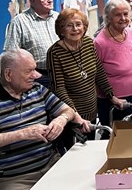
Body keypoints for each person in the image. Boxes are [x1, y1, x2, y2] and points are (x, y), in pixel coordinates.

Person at [0, 49, 88, 190]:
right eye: (28, 71)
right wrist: (21, 134)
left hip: (50, 164)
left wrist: (61, 119)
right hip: (11, 178)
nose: (35, 76)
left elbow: (68, 110)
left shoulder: (37, 90)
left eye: (35, 69)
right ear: (8, 74)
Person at [47, 8, 125, 148]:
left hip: (91, 110)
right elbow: (59, 88)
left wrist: (112, 96)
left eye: (78, 24)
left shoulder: (89, 43)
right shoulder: (55, 53)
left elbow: (99, 73)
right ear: (61, 29)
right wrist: (75, 116)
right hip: (69, 116)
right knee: (73, 152)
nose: (75, 29)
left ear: (84, 26)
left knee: (89, 147)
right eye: (69, 25)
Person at [94, 0, 132, 130]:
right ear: (108, 17)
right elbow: (96, 74)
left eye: (126, 14)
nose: (123, 18)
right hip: (114, 101)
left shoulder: (130, 33)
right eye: (118, 15)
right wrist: (112, 98)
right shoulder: (100, 42)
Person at [4, 0, 59, 88]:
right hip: (38, 78)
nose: (50, 0)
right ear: (33, 1)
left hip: (63, 75)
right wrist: (34, 74)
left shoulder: (58, 17)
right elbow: (10, 55)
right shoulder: (19, 22)